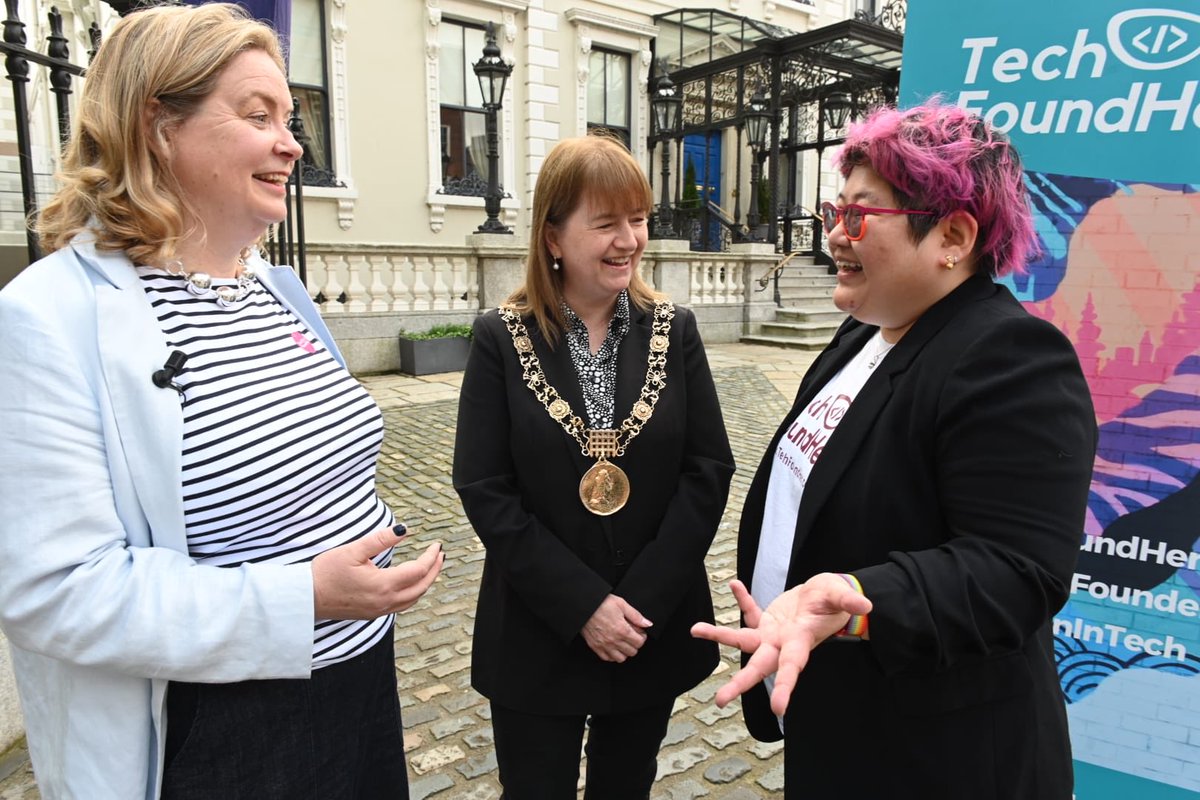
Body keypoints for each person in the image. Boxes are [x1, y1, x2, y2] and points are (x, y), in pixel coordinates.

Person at [0, 6, 443, 799]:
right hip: (216, 731)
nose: (292, 143)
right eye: (257, 115)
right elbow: (54, 591)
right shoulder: (47, 316)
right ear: (157, 125)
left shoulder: (277, 291)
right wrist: (302, 596)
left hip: (356, 687)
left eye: (290, 117)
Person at [691, 102, 1097, 799]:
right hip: (839, 719)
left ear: (953, 235)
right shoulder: (864, 333)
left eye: (859, 215)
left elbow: (1015, 570)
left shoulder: (1009, 357)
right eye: (832, 212)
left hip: (939, 757)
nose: (833, 238)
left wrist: (855, 597)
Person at [452, 135, 735, 799]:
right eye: (605, 223)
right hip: (537, 630)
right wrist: (583, 606)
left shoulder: (675, 327)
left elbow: (708, 469)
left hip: (646, 628)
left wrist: (636, 604)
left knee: (625, 786)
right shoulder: (501, 336)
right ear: (553, 235)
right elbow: (484, 487)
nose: (628, 240)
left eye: (637, 219)